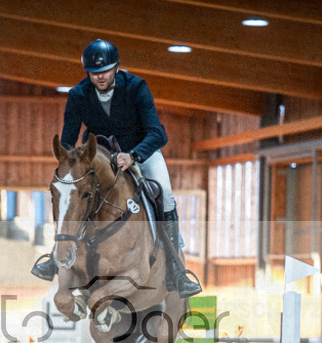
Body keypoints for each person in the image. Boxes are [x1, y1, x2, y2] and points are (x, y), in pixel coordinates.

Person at [32, 39, 202, 298]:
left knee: (165, 193)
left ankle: (177, 271)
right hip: (98, 156)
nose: (99, 77)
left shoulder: (136, 87)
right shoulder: (78, 94)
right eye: (94, 73)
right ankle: (56, 258)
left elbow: (157, 132)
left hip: (141, 151)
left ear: (116, 68)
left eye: (105, 71)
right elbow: (68, 138)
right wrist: (71, 163)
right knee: (70, 193)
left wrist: (133, 156)